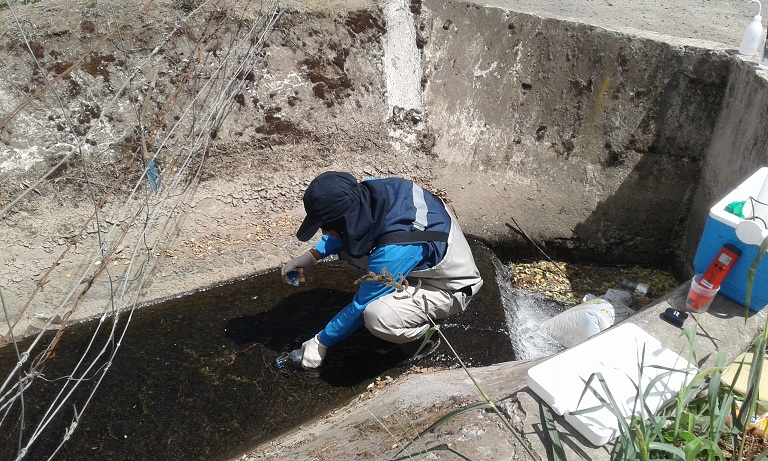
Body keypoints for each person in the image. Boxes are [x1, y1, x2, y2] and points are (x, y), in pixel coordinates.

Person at [281, 171, 483, 369]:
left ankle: (425, 337)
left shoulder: (392, 249)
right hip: (436, 232)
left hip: (451, 283)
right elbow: (349, 228)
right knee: (358, 255)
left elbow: (361, 305)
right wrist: (313, 255)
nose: (324, 231)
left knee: (377, 316)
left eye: (325, 226)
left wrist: (320, 342)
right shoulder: (368, 191)